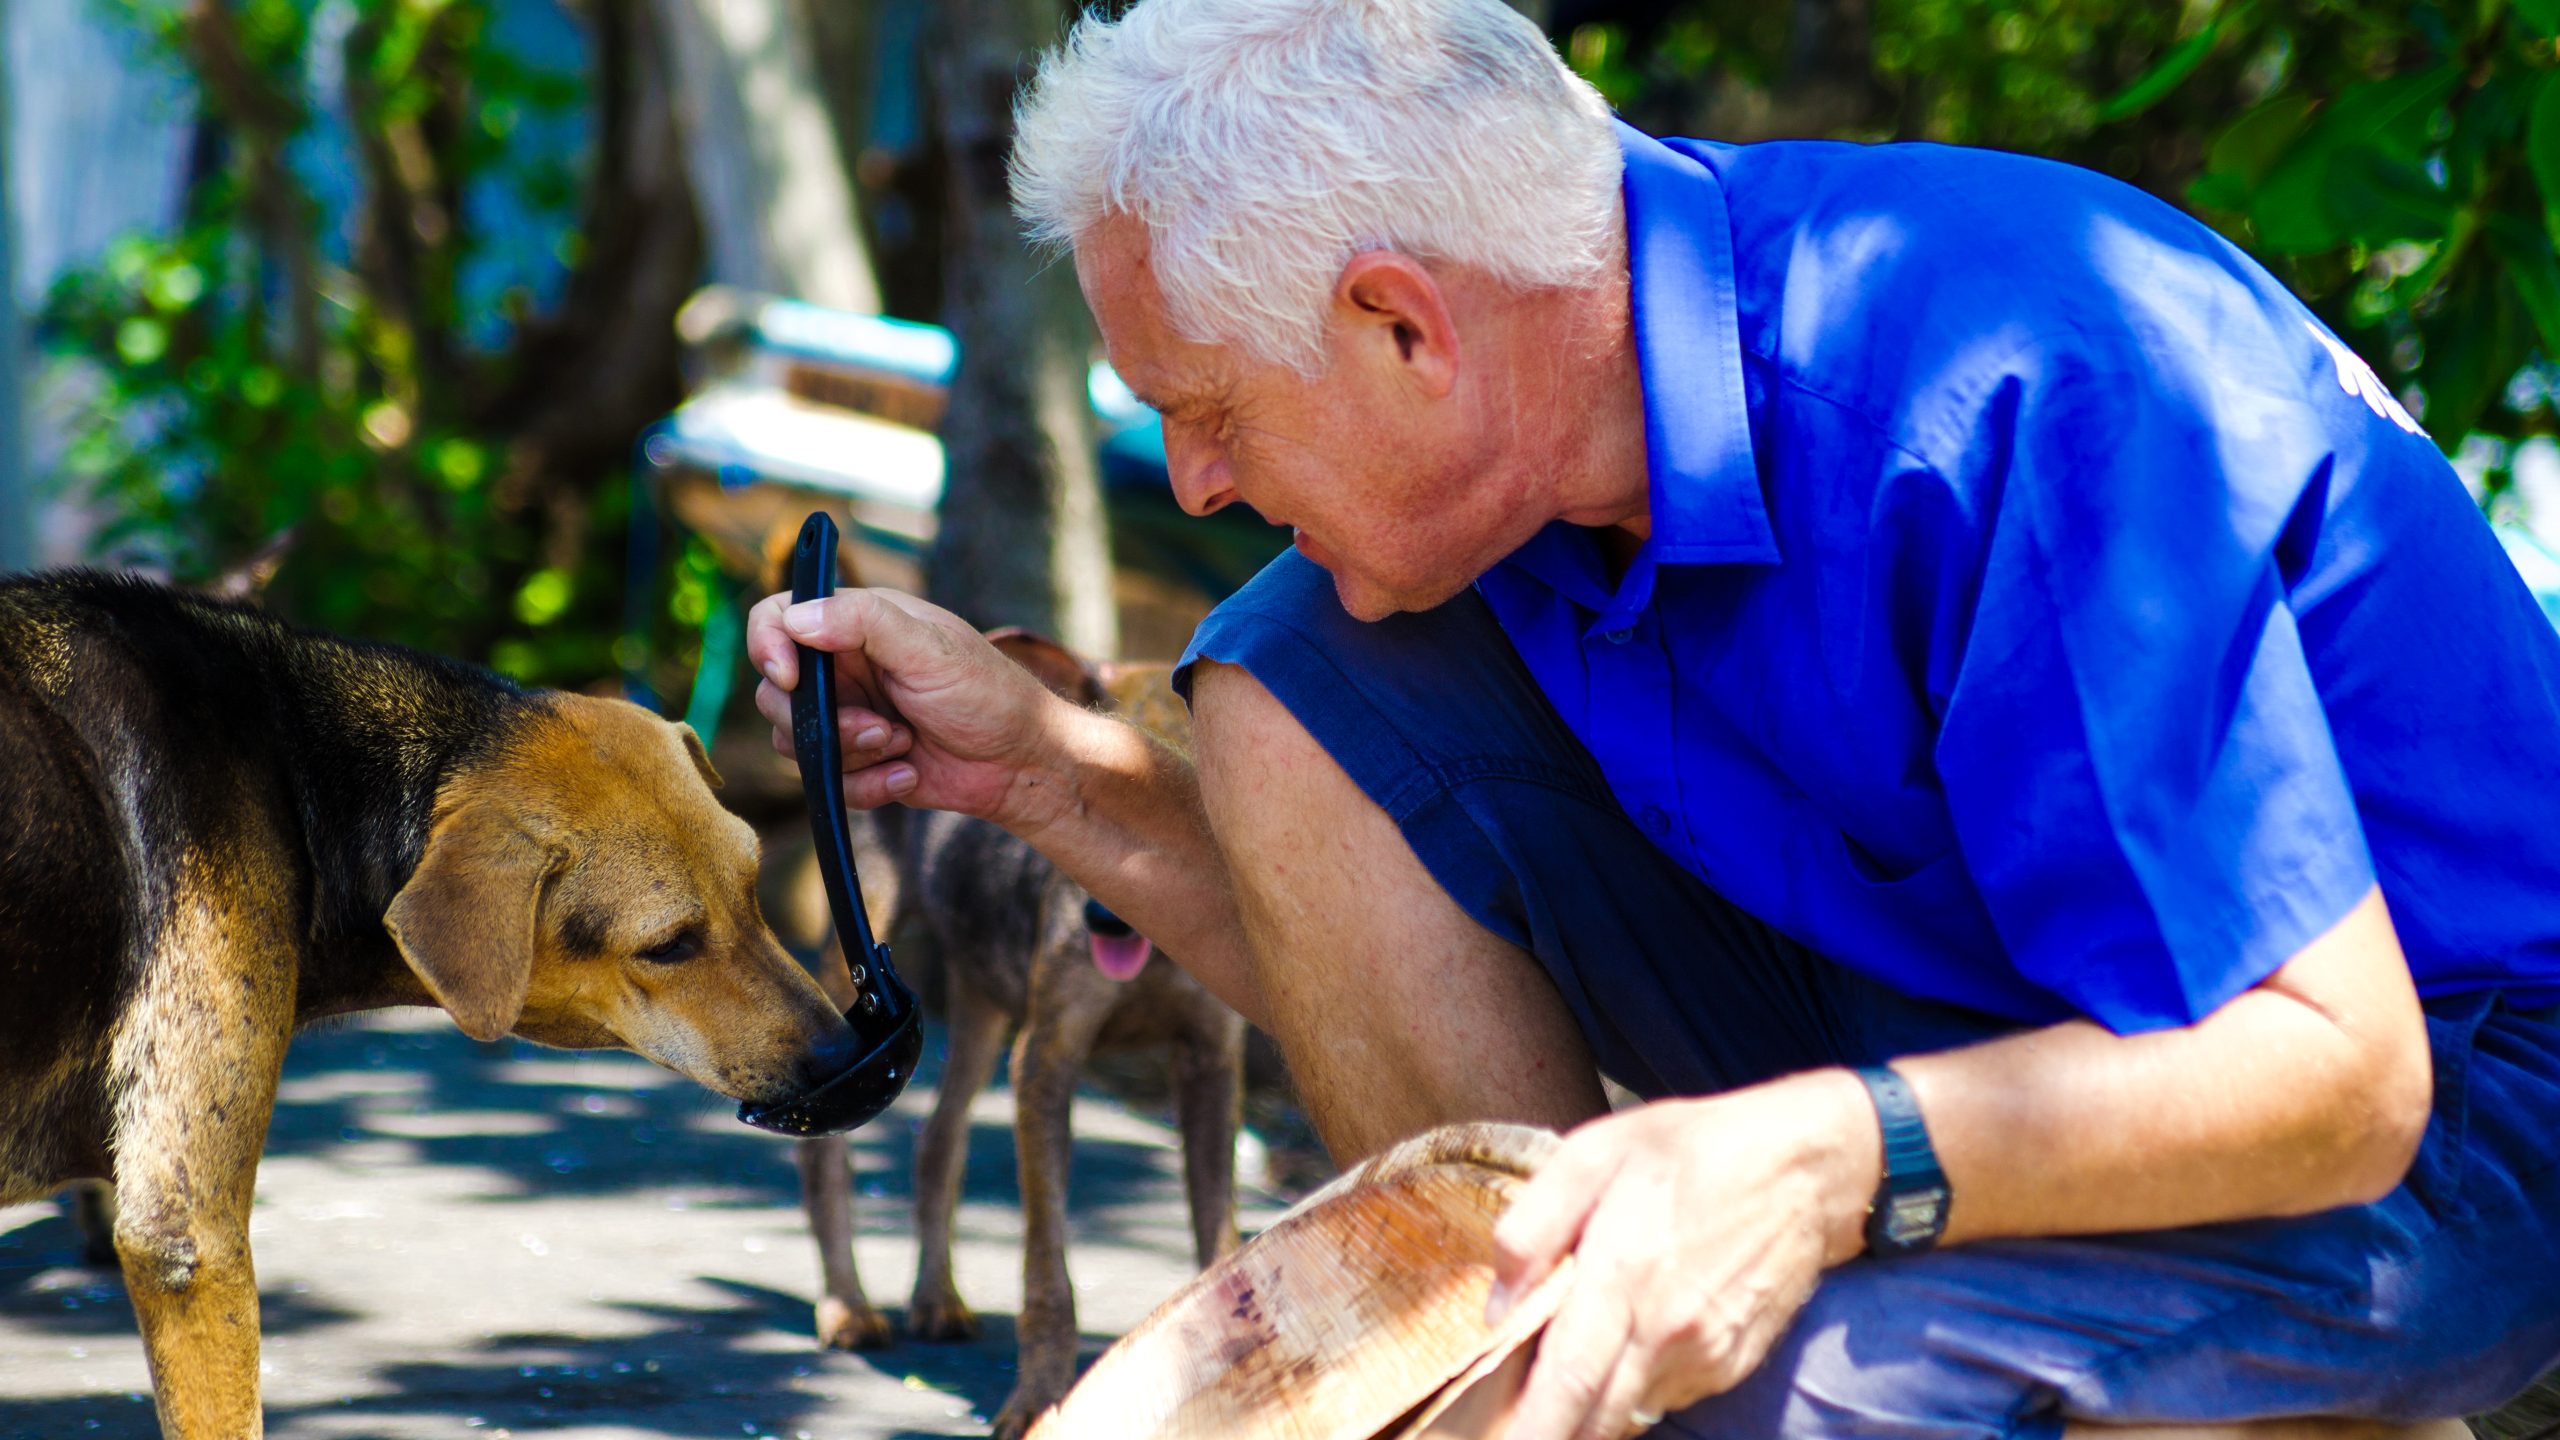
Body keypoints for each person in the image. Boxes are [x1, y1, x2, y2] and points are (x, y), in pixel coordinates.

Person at [745, 1, 2560, 1435]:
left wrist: (1819, 1158)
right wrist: (1036, 770)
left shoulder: (2001, 386)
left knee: (1774, 1380)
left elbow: (2339, 1076)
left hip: (2426, 1098)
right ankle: (1522, 1357)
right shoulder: (1535, 455)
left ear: (1403, 326)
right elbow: (1359, 941)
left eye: (1207, 408)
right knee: (1282, 678)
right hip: (1969, 1002)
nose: (1196, 478)